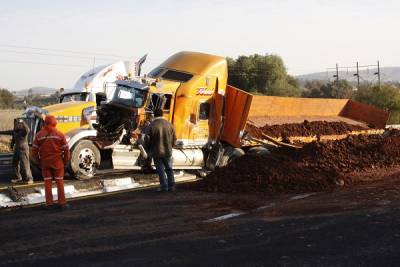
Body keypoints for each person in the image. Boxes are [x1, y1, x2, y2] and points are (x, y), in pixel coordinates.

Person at [32, 115, 70, 208]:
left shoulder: (39, 135)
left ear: (45, 123)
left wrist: (39, 162)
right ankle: (62, 203)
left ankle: (49, 203)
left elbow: (34, 151)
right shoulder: (60, 134)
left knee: (47, 183)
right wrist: (65, 161)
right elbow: (66, 150)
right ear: (54, 123)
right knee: (59, 182)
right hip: (58, 163)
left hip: (45, 163)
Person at [146, 108, 177, 192]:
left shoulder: (152, 125)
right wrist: (171, 147)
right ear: (162, 114)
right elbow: (175, 139)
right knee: (169, 169)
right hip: (167, 151)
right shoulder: (170, 125)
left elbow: (147, 139)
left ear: (154, 115)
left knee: (160, 169)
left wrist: (148, 149)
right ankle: (172, 186)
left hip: (156, 151)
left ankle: (164, 187)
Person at [11, 119, 33, 184]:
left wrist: (23, 122)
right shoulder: (14, 131)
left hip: (23, 148)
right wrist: (11, 145)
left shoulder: (23, 131)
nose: (15, 125)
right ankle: (18, 177)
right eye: (14, 124)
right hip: (17, 149)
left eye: (16, 124)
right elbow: (13, 138)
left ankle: (30, 179)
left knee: (25, 164)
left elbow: (28, 129)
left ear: (19, 125)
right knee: (14, 163)